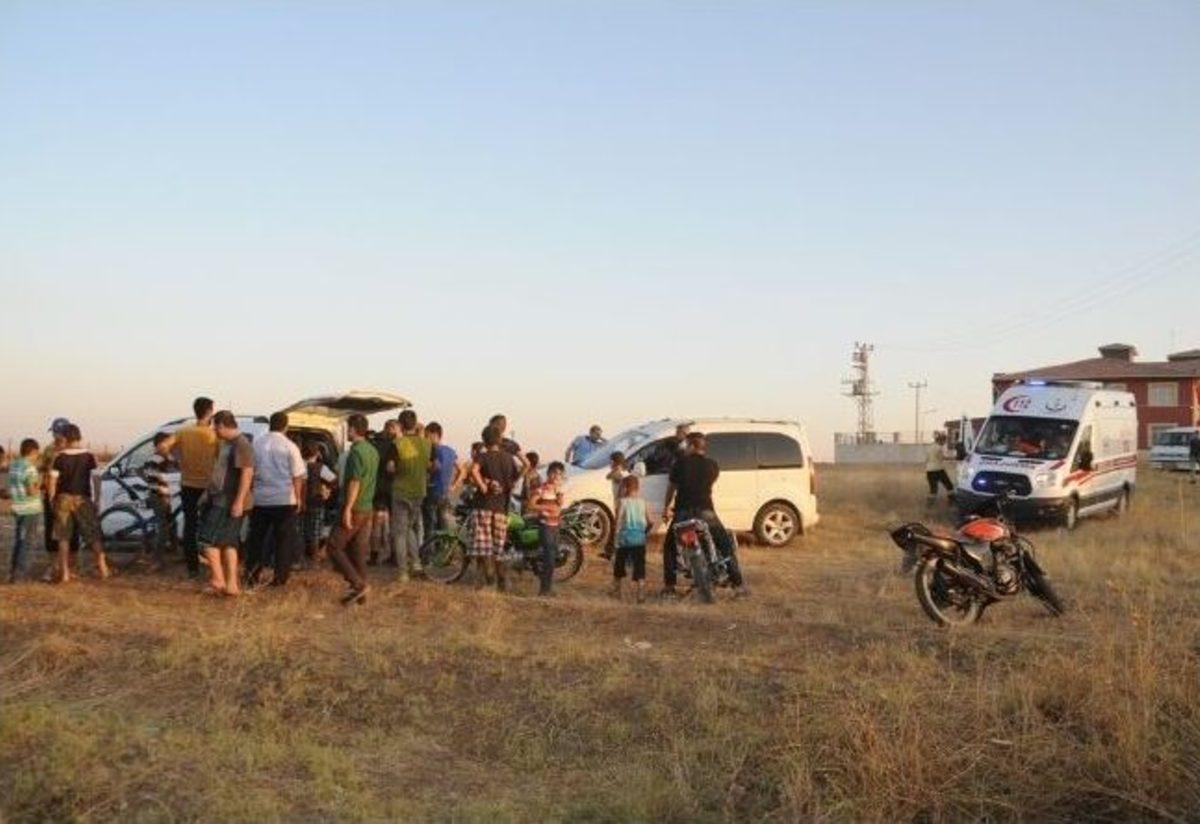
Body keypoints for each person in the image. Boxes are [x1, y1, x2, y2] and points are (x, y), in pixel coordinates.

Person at [661, 432, 747, 599]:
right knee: (725, 545)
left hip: (683, 511)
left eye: (686, 445)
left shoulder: (679, 463)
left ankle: (669, 587)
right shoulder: (712, 465)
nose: (684, 448)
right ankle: (738, 586)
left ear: (692, 446)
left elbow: (671, 488)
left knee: (670, 547)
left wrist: (666, 508)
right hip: (706, 511)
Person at [246, 411, 305, 588]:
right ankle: (280, 578)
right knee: (283, 541)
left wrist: (250, 492)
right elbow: (297, 476)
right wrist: (298, 498)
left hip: (260, 499)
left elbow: (249, 471)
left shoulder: (256, 444)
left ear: (270, 425)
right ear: (286, 426)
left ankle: (252, 575)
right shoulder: (290, 446)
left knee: (256, 539)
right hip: (284, 500)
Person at [197, 410, 254, 596]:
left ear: (222, 425)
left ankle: (218, 580)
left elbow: (247, 473)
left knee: (206, 541)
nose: (215, 431)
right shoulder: (229, 444)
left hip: (228, 502)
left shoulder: (241, 444)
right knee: (229, 543)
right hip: (225, 499)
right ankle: (231, 585)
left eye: (216, 427)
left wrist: (238, 501)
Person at [326, 414, 379, 606]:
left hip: (355, 506)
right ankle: (360, 594)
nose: (347, 432)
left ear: (354, 429)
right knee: (357, 551)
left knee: (333, 546)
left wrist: (347, 508)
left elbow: (355, 482)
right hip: (367, 507)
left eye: (348, 428)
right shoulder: (372, 451)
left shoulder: (356, 452)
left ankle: (357, 584)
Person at [48, 424, 109, 583]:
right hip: (83, 498)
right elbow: (96, 479)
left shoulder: (59, 457)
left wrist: (51, 499)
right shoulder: (89, 456)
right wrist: (97, 498)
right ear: (79, 437)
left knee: (63, 537)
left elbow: (52, 481)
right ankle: (103, 568)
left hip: (63, 498)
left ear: (65, 438)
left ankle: (65, 573)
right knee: (93, 535)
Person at [468, 424, 519, 591]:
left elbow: (474, 470)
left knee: (483, 546)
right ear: (500, 439)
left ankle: (487, 578)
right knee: (498, 547)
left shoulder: (483, 456)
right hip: (501, 508)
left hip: (483, 506)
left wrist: (483, 486)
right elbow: (516, 476)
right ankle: (501, 581)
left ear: (484, 440)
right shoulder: (509, 458)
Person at [173, 397, 218, 578]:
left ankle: (192, 567)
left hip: (188, 484)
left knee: (190, 526)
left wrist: (177, 459)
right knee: (211, 526)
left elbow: (162, 447)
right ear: (210, 412)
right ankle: (213, 565)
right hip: (209, 487)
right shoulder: (213, 435)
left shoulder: (183, 431)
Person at [390, 409, 433, 582]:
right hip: (419, 492)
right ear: (415, 424)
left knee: (400, 533)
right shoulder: (426, 444)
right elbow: (429, 465)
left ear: (400, 425)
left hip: (401, 491)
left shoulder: (398, 443)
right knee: (410, 528)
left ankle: (403, 572)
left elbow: (391, 467)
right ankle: (416, 563)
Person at [39, 418, 79, 579]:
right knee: (51, 532)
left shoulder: (75, 450)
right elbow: (42, 470)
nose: (54, 436)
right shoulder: (49, 450)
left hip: (70, 495)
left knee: (72, 532)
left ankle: (69, 567)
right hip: (51, 496)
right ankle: (52, 566)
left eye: (56, 432)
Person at [611, 474, 652, 603]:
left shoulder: (622, 502)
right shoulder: (643, 503)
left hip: (625, 539)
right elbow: (650, 522)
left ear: (625, 488)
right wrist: (644, 532)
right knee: (639, 566)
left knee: (619, 565)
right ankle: (641, 593)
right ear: (637, 488)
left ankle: (617, 591)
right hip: (639, 540)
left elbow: (618, 521)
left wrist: (615, 538)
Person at [140, 432, 178, 569]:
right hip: (158, 497)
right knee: (163, 528)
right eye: (168, 443)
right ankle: (156, 560)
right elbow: (153, 482)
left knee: (171, 523)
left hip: (165, 495)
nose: (170, 446)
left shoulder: (166, 458)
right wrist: (165, 492)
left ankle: (173, 552)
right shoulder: (154, 459)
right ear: (160, 444)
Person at [529, 461, 566, 597]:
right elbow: (531, 505)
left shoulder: (558, 490)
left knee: (552, 557)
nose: (556, 476)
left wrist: (559, 495)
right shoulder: (542, 489)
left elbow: (560, 505)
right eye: (554, 473)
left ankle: (547, 587)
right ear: (548, 473)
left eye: (560, 474)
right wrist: (546, 507)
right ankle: (544, 590)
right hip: (545, 526)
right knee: (549, 558)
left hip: (555, 525)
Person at [8, 439, 42, 583]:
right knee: (27, 542)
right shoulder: (30, 468)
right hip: (30, 509)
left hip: (18, 507)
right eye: (37, 454)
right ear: (33, 452)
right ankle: (20, 575)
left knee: (19, 540)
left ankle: (14, 571)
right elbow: (31, 491)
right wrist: (41, 485)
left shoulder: (14, 465)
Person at [369, 420, 399, 566]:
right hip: (393, 488)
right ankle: (394, 555)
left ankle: (374, 556)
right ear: (391, 428)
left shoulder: (374, 443)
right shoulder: (395, 445)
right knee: (394, 523)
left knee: (376, 522)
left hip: (378, 487)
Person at [301, 442, 337, 562]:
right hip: (315, 501)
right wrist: (327, 490)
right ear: (317, 453)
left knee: (301, 529)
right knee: (315, 530)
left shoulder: (298, 464)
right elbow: (334, 480)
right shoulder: (320, 468)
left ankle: (299, 555)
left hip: (299, 501)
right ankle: (314, 555)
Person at [423, 422, 458, 538]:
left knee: (429, 524)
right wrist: (454, 485)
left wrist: (428, 471)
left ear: (434, 434)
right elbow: (461, 470)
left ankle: (429, 548)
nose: (425, 438)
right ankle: (443, 547)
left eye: (427, 435)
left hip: (432, 491)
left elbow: (435, 466)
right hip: (445, 492)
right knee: (443, 524)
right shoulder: (451, 451)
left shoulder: (432, 450)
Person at [924, 432, 954, 503]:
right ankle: (951, 500)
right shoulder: (939, 448)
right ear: (940, 440)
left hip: (929, 470)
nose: (944, 443)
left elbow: (926, 459)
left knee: (933, 488)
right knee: (949, 485)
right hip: (938, 470)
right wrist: (953, 457)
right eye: (944, 441)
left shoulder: (930, 447)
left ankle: (929, 504)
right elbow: (942, 458)